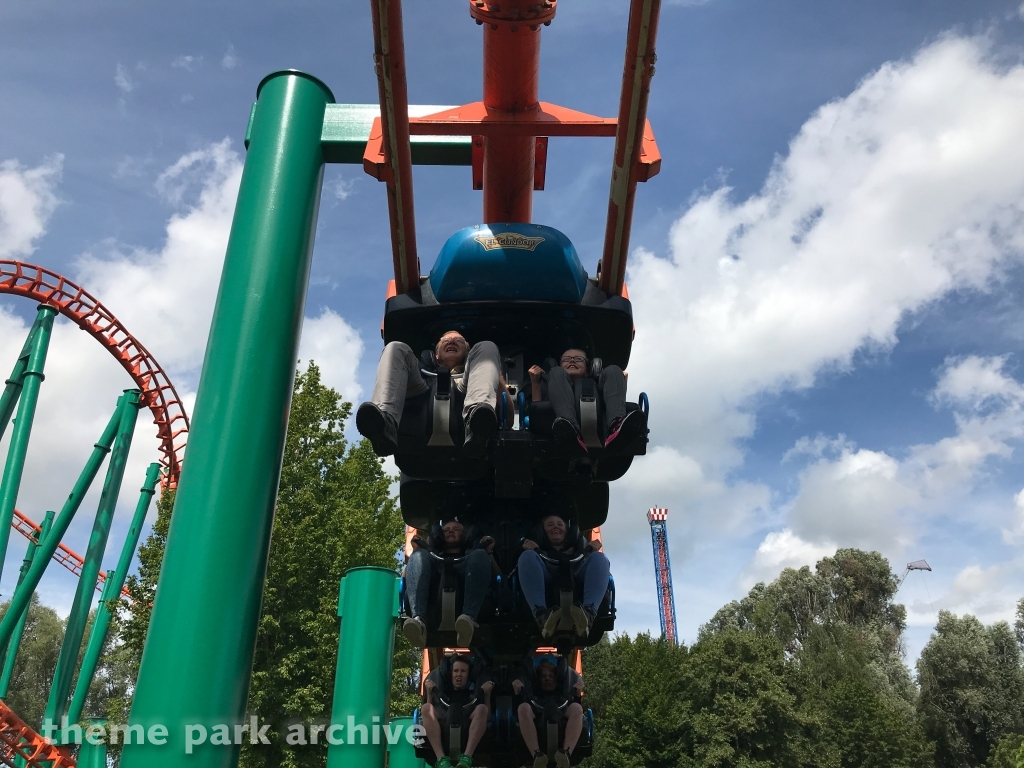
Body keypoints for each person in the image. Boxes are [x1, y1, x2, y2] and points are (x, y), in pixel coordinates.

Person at [357, 331, 501, 458]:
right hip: (422, 392)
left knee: (487, 346)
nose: (451, 341)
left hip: (466, 392)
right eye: (445, 340)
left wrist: (496, 375)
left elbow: (510, 417)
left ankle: (477, 427)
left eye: (459, 340)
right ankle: (385, 426)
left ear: (468, 352)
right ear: (436, 354)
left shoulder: (479, 377)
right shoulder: (421, 372)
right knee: (396, 347)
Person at [527, 348, 644, 458]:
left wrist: (622, 381)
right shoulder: (553, 380)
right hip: (557, 427)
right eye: (566, 359)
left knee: (614, 369)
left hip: (600, 422)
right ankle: (570, 429)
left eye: (578, 359)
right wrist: (536, 383)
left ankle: (616, 429)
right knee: (556, 372)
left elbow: (616, 402)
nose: (572, 361)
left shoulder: (599, 388)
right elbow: (537, 411)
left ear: (588, 369)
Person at [403, 517, 495, 647]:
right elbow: (408, 579)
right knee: (419, 555)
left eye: (456, 529)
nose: (451, 531)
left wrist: (487, 552)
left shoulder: (473, 556)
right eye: (446, 530)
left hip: (467, 606)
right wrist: (416, 552)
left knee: (479, 554)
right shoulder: (430, 558)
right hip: (434, 607)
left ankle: (468, 621)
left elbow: (499, 577)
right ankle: (419, 621)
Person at [517, 514, 610, 639]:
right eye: (550, 525)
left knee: (600, 558)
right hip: (546, 576)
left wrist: (591, 550)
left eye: (559, 524)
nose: (555, 527)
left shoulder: (582, 550)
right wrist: (531, 549)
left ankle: (589, 614)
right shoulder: (535, 554)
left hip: (576, 577)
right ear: (542, 532)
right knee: (527, 556)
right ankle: (541, 615)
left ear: (568, 531)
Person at [421, 654, 493, 768]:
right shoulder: (442, 695)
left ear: (468, 675)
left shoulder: (473, 696)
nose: (459, 674)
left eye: (463, 671)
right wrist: (430, 693)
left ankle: (466, 758)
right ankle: (441, 759)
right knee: (426, 708)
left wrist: (487, 695)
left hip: (467, 729)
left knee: (482, 708)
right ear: (451, 674)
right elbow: (428, 714)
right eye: (456, 671)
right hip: (444, 730)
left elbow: (486, 716)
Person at [513, 657, 584, 768]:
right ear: (538, 678)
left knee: (577, 708)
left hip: (560, 724)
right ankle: (537, 756)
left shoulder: (563, 694)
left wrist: (577, 695)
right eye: (543, 676)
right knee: (523, 707)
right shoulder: (533, 694)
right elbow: (523, 708)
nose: (547, 679)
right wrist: (518, 693)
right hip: (538, 724)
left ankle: (565, 755)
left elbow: (573, 706)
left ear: (556, 678)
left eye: (550, 676)